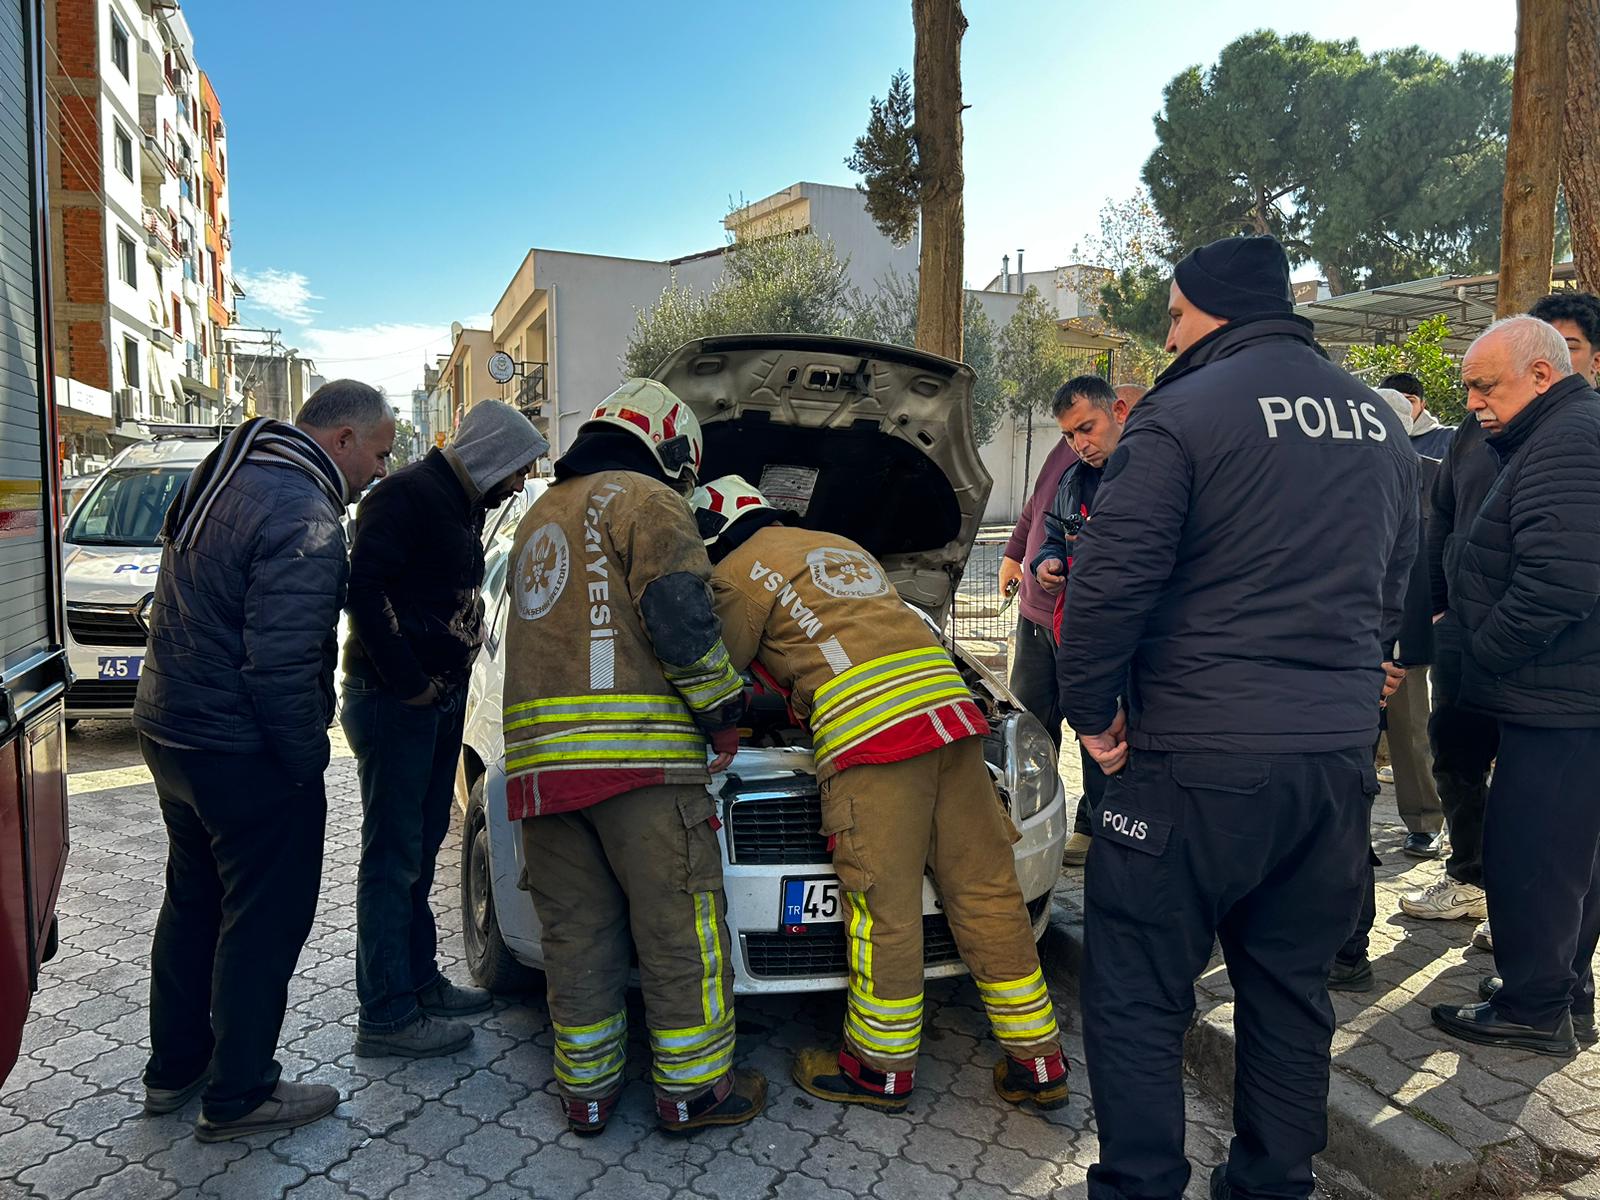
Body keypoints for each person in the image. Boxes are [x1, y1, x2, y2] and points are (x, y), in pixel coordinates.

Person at [1058, 235, 1417, 1200]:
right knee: (1291, 992)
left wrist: (1091, 718)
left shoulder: (1182, 413)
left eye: (1173, 315)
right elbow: (1394, 580)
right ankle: (1273, 1183)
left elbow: (1107, 588)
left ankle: (1139, 1186)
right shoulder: (1377, 422)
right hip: (1332, 765)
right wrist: (1356, 686)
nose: (1167, 335)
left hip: (1191, 760)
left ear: (1213, 309)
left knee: (1136, 990)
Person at [693, 476, 1069, 1115]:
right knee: (985, 889)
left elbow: (716, 671)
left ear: (711, 532)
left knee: (882, 906)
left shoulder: (733, 571)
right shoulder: (839, 546)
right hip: (952, 719)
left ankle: (879, 1070)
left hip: (874, 738)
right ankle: (1039, 1063)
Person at [132, 381, 396, 1141]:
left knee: (194, 902)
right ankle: (241, 1092)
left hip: (172, 730)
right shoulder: (303, 511)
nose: (381, 470)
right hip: (241, 747)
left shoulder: (230, 470)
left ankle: (175, 1069)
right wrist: (304, 759)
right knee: (265, 916)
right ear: (341, 439)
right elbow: (281, 664)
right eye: (377, 452)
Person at [500, 379, 765, 1137]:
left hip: (542, 778)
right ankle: (694, 1094)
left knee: (576, 936)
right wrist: (724, 714)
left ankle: (586, 1092)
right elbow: (680, 618)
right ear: (670, 446)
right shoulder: (647, 501)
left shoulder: (536, 518)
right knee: (680, 928)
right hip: (640, 765)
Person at [342, 400, 548, 1058]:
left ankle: (418, 981)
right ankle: (386, 1015)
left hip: (431, 701)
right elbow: (363, 592)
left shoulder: (457, 500)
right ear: (490, 454)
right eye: (516, 469)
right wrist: (408, 683)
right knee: (392, 857)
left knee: (421, 848)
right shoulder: (405, 496)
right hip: (395, 702)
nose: (519, 483)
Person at [1403, 291, 1600, 948]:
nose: (1477, 401)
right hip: (1475, 639)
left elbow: (1560, 575)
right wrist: (1438, 613)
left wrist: (1491, 642)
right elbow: (1445, 523)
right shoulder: (1477, 435)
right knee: (1459, 755)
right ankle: (1477, 878)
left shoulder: (1574, 439)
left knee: (1547, 820)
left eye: (1567, 347)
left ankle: (1540, 948)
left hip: (1545, 662)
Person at [1331, 389, 1440, 992]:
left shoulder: (1405, 472)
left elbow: (1412, 563)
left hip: (1370, 663)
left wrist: (1396, 655)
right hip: (1342, 669)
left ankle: (1348, 947)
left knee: (1356, 794)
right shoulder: (1342, 474)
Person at [1030, 378, 1141, 866]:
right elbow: (1053, 532)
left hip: (1142, 636)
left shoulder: (1149, 470)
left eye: (1087, 429)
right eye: (1070, 436)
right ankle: (1099, 827)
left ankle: (1130, 839)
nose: (1080, 443)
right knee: (1094, 729)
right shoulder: (1073, 479)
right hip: (1084, 630)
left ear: (1117, 411)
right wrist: (1046, 563)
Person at [999, 428, 1079, 753]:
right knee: (1027, 728)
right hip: (1034, 617)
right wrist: (1012, 555)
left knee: (1096, 736)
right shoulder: (1067, 443)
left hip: (1084, 622)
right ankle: (1036, 804)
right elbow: (1038, 503)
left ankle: (1100, 806)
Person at [1378, 371, 1455, 458]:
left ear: (1422, 405)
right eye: (1393, 402)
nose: (1402, 407)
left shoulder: (1450, 438)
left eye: (1410, 401)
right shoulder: (1371, 440)